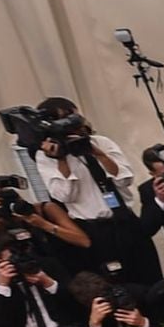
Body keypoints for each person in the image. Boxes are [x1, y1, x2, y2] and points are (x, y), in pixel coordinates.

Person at [29, 97, 155, 284]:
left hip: (124, 221)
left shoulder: (101, 142)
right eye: (63, 119)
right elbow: (64, 195)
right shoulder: (45, 156)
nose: (71, 123)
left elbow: (125, 179)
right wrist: (61, 159)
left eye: (73, 115)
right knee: (112, 281)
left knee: (146, 273)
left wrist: (99, 155)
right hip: (93, 229)